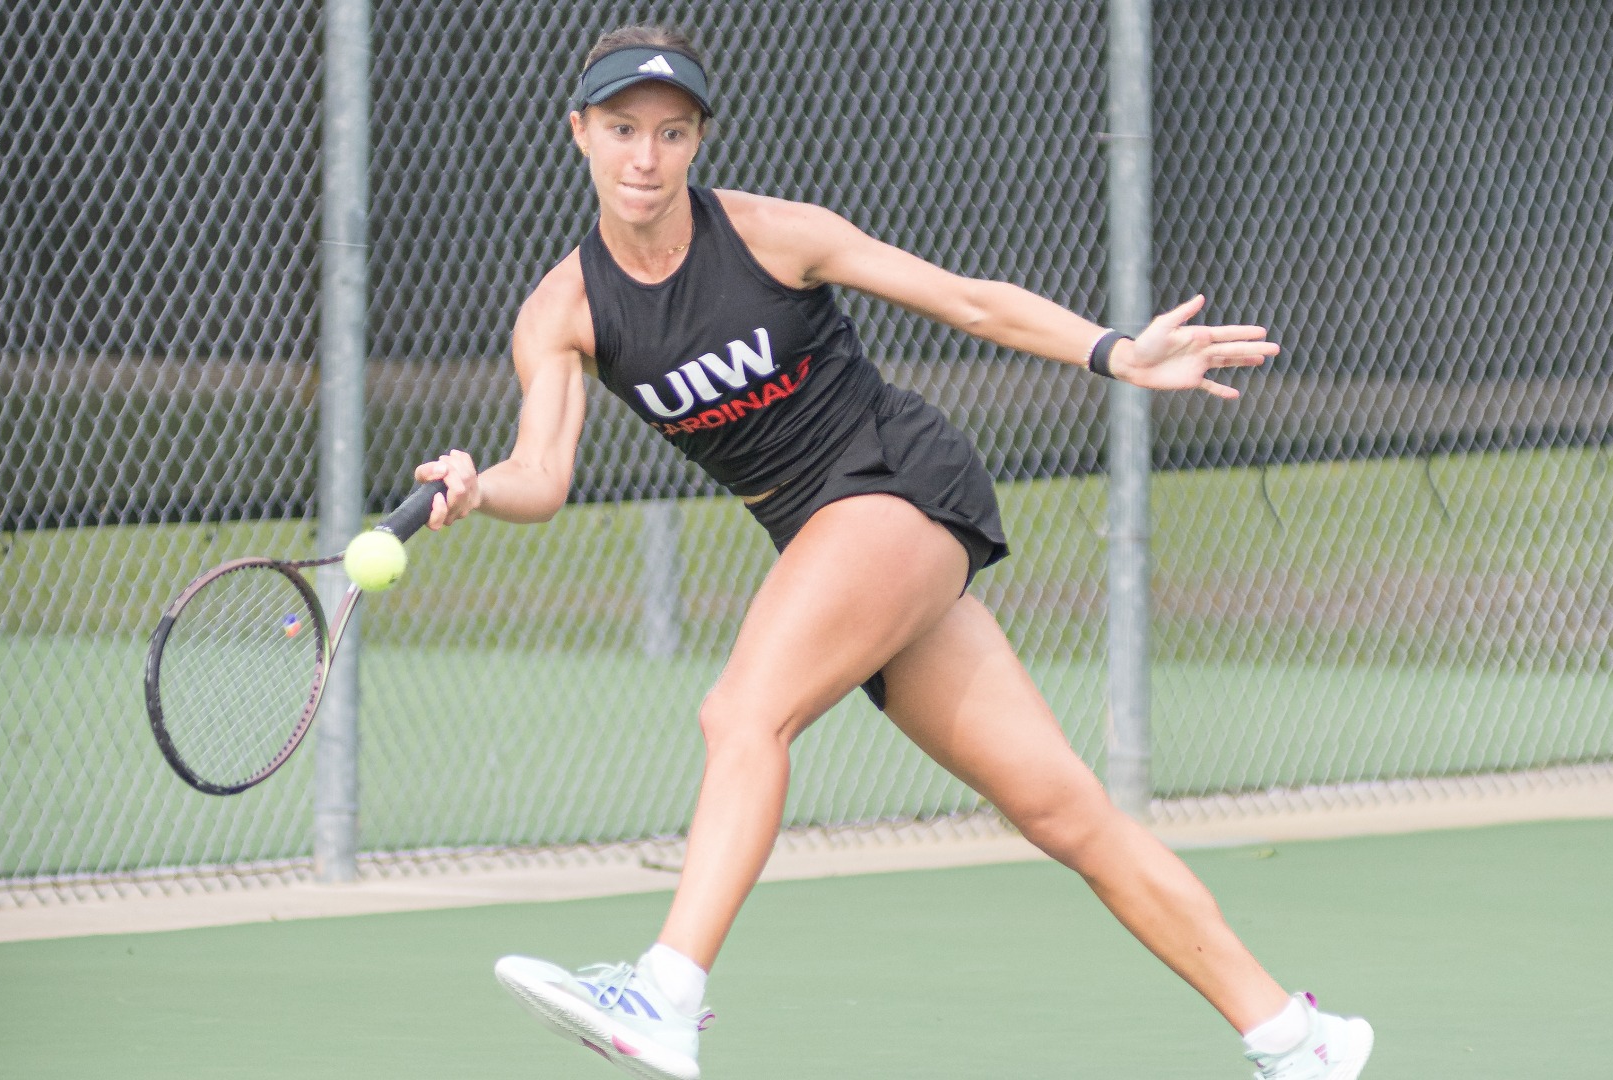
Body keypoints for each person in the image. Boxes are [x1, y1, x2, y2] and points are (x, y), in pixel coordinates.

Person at [416, 25, 1373, 1080]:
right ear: (580, 134)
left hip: (892, 481)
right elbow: (539, 474)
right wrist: (475, 488)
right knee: (1063, 810)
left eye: (672, 132)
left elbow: (967, 300)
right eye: (623, 130)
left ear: (700, 142)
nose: (646, 157)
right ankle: (1295, 1035)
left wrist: (1115, 352)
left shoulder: (778, 236)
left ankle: (666, 992)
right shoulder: (564, 311)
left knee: (742, 713)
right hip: (828, 536)